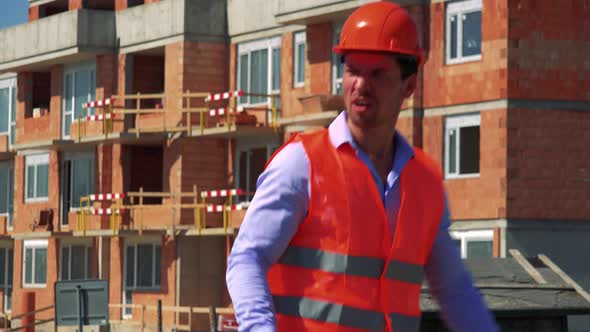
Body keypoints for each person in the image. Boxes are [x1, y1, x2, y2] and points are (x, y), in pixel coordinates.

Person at [226, 2, 499, 331]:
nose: (360, 85)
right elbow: (246, 259)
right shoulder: (301, 164)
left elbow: (455, 292)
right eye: (353, 70)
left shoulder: (423, 183)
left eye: (377, 73)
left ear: (409, 85)